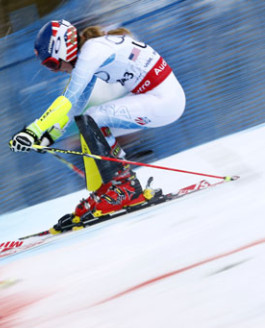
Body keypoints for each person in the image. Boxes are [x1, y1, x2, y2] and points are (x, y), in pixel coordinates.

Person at [9, 19, 186, 223]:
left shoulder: (91, 53)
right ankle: (111, 186)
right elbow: (76, 108)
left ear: (64, 49)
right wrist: (49, 136)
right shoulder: (92, 52)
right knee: (88, 120)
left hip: (165, 102)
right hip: (157, 98)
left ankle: (125, 187)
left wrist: (33, 131)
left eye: (52, 63)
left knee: (94, 117)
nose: (55, 70)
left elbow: (68, 98)